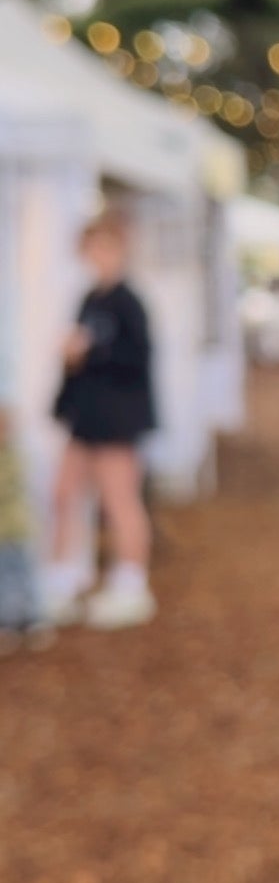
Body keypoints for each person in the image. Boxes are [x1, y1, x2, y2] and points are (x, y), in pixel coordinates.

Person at [46, 210, 157, 628]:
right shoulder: (90, 298)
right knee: (63, 493)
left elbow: (136, 360)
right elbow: (76, 357)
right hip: (86, 417)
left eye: (103, 247)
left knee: (119, 501)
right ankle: (65, 576)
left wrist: (89, 352)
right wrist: (64, 395)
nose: (97, 256)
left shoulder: (130, 303)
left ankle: (131, 584)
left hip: (117, 420)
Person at [0, 405, 49, 651]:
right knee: (6, 579)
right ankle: (8, 623)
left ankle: (31, 619)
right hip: (8, 533)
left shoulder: (14, 457)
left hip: (16, 532)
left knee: (22, 576)